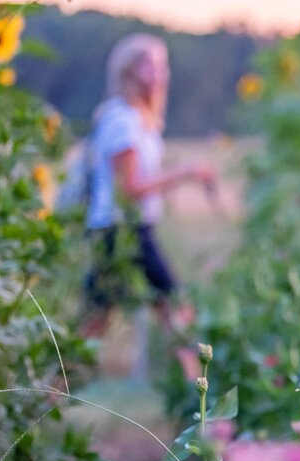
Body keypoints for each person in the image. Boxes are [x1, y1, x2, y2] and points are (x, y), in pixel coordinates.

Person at [80, 33, 216, 339]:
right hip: (120, 230)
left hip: (130, 228)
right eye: (150, 65)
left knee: (100, 322)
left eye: (162, 65)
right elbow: (129, 188)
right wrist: (185, 173)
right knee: (175, 306)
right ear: (128, 70)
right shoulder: (123, 121)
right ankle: (198, 382)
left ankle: (194, 380)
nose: (159, 73)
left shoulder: (139, 120)